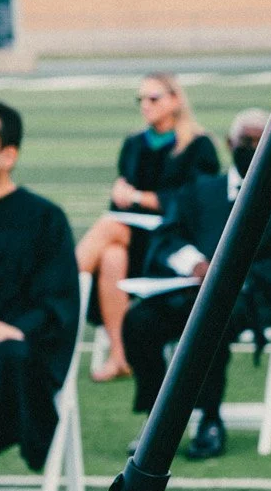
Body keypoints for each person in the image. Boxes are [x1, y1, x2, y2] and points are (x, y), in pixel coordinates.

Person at [122, 108, 271, 460]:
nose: (253, 148)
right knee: (137, 321)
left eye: (261, 142)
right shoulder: (198, 192)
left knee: (211, 317)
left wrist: (232, 277)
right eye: (246, 141)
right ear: (229, 143)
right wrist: (194, 264)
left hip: (241, 302)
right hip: (181, 293)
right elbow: (166, 238)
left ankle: (209, 418)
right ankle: (155, 419)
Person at [0, 100, 79, 477]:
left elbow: (57, 301)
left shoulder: (43, 219)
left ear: (8, 155)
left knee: (6, 358)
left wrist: (14, 327)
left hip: (14, 354)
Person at [76, 73, 219, 382]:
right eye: (140, 99)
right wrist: (120, 195)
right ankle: (120, 356)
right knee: (112, 255)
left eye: (153, 98)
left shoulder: (199, 145)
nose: (145, 105)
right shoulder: (133, 143)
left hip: (174, 244)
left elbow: (198, 202)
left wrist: (140, 197)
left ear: (175, 100)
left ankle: (63, 279)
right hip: (132, 236)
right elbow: (123, 197)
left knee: (110, 227)